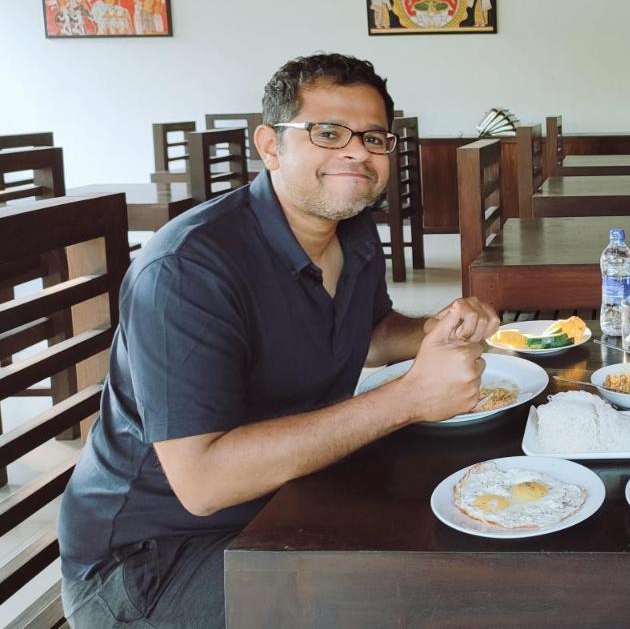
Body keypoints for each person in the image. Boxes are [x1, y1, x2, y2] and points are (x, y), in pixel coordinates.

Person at [59, 53, 499, 628]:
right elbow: (204, 481)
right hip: (152, 562)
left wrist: (434, 330)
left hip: (287, 497)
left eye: (373, 137)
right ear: (270, 146)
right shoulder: (189, 269)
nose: (355, 151)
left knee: (468, 548)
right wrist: (410, 398)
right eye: (327, 132)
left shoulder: (352, 228)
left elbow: (362, 336)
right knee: (405, 600)